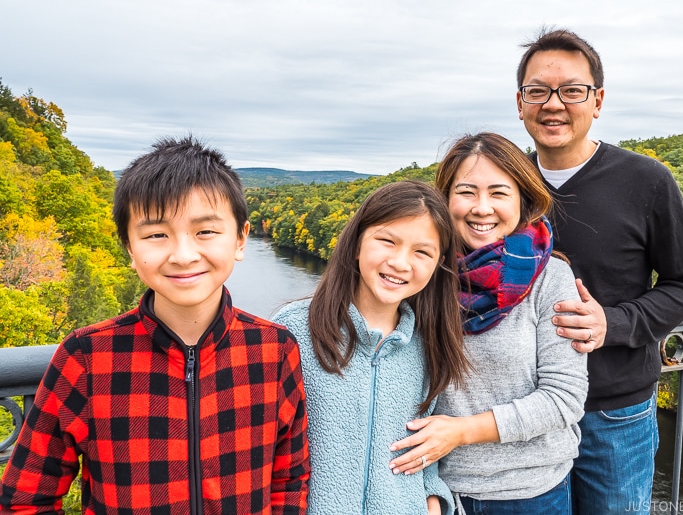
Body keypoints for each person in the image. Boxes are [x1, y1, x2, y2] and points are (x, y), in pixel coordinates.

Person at [0, 136, 310, 514]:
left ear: (241, 239)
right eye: (156, 235)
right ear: (130, 248)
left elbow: (288, 480)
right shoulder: (86, 358)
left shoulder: (274, 349)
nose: (182, 255)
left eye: (205, 232)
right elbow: (25, 499)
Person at [513, 28, 683, 514]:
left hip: (613, 412)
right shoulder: (501, 183)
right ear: (520, 103)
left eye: (572, 91)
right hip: (518, 413)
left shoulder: (646, 180)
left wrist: (613, 323)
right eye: (538, 91)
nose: (553, 104)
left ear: (597, 101)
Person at [388, 133, 588, 514]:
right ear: (444, 200)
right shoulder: (423, 272)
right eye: (466, 192)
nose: (482, 208)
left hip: (530, 494)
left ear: (522, 200)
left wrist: (460, 432)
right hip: (434, 490)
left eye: (499, 193)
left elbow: (564, 400)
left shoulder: (550, 277)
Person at [273, 180, 470, 515]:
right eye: (387, 241)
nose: (400, 262)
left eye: (422, 252)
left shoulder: (432, 344)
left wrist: (434, 501)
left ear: (438, 265)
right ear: (356, 244)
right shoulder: (292, 331)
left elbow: (428, 452)